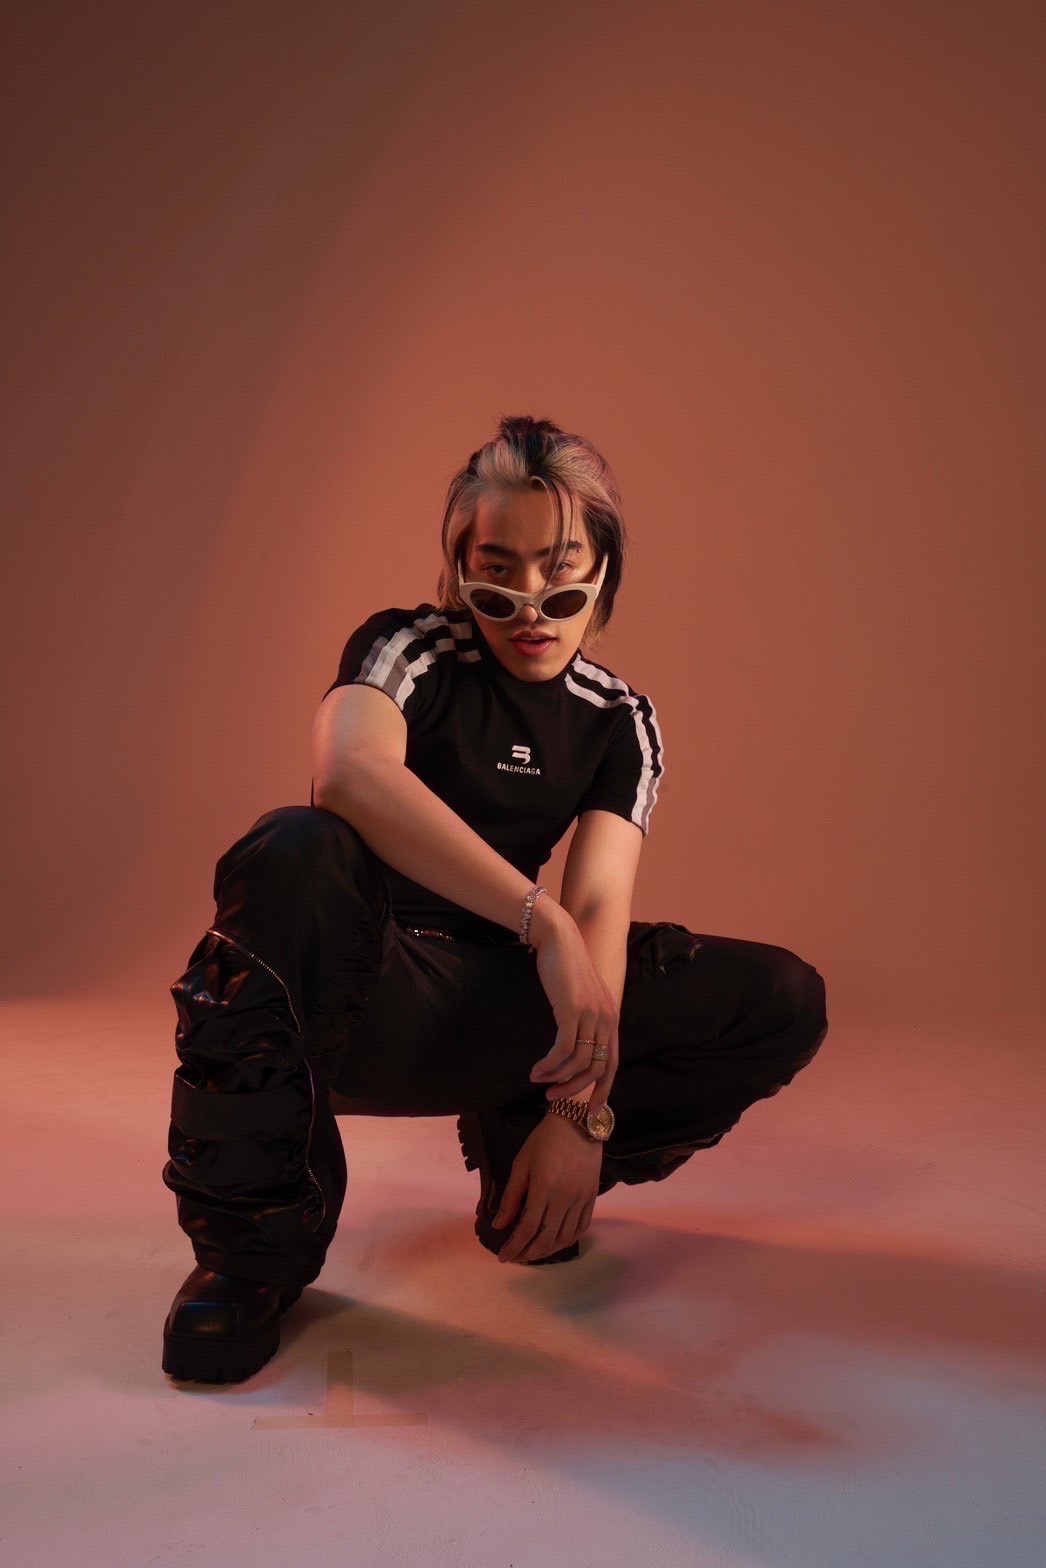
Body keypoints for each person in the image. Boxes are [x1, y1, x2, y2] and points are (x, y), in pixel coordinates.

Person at [161, 413, 829, 1384]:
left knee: (776, 995)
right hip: (361, 997)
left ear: (604, 574)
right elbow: (348, 773)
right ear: (456, 567)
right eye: (496, 573)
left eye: (560, 574)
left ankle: (521, 1144)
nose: (529, 608)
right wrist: (537, 917)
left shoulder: (619, 720)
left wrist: (579, 1115)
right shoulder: (408, 647)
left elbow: (597, 912)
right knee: (292, 849)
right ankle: (251, 1255)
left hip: (502, 1012)